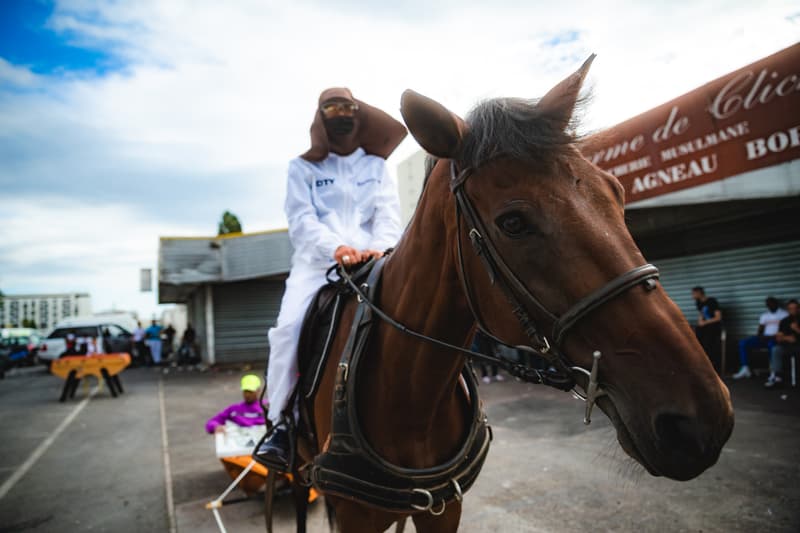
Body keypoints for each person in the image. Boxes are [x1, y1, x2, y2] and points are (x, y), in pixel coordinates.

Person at [254, 87, 406, 469]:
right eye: (332, 109)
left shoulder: (376, 167)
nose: (341, 114)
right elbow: (302, 221)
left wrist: (380, 248)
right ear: (321, 118)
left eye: (348, 108)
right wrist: (337, 248)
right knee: (287, 331)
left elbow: (388, 216)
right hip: (317, 266)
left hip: (374, 261)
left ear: (358, 116)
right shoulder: (302, 168)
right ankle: (281, 425)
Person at [734, 296, 788, 379]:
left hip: (776, 338)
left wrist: (773, 336)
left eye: (771, 304)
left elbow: (785, 331)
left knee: (772, 345)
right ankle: (745, 368)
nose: (769, 306)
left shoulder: (784, 314)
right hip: (765, 338)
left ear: (776, 304)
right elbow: (760, 330)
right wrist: (760, 336)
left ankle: (774, 372)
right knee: (743, 343)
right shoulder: (765, 316)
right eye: (768, 304)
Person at [765, 299, 800, 388]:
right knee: (776, 349)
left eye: (795, 308)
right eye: (790, 309)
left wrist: (797, 329)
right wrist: (788, 338)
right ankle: (777, 377)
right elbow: (779, 337)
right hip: (788, 346)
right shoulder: (785, 321)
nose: (793, 310)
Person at [691, 287, 723, 370]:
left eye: (694, 293)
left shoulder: (712, 301)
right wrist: (700, 322)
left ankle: (711, 365)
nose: (692, 296)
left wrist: (704, 323)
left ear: (699, 293)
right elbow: (701, 314)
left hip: (714, 327)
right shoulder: (699, 302)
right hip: (705, 328)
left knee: (708, 343)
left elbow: (718, 317)